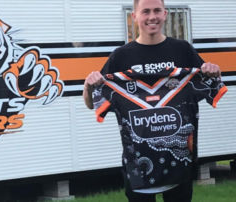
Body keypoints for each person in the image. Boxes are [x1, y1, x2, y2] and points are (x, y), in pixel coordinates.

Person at [83, 0, 221, 201]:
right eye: (145, 11)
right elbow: (92, 104)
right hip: (137, 167)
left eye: (157, 10)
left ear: (165, 14)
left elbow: (212, 90)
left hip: (179, 164)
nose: (152, 17)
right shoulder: (120, 57)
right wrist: (88, 87)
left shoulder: (183, 51)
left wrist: (214, 74)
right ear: (135, 16)